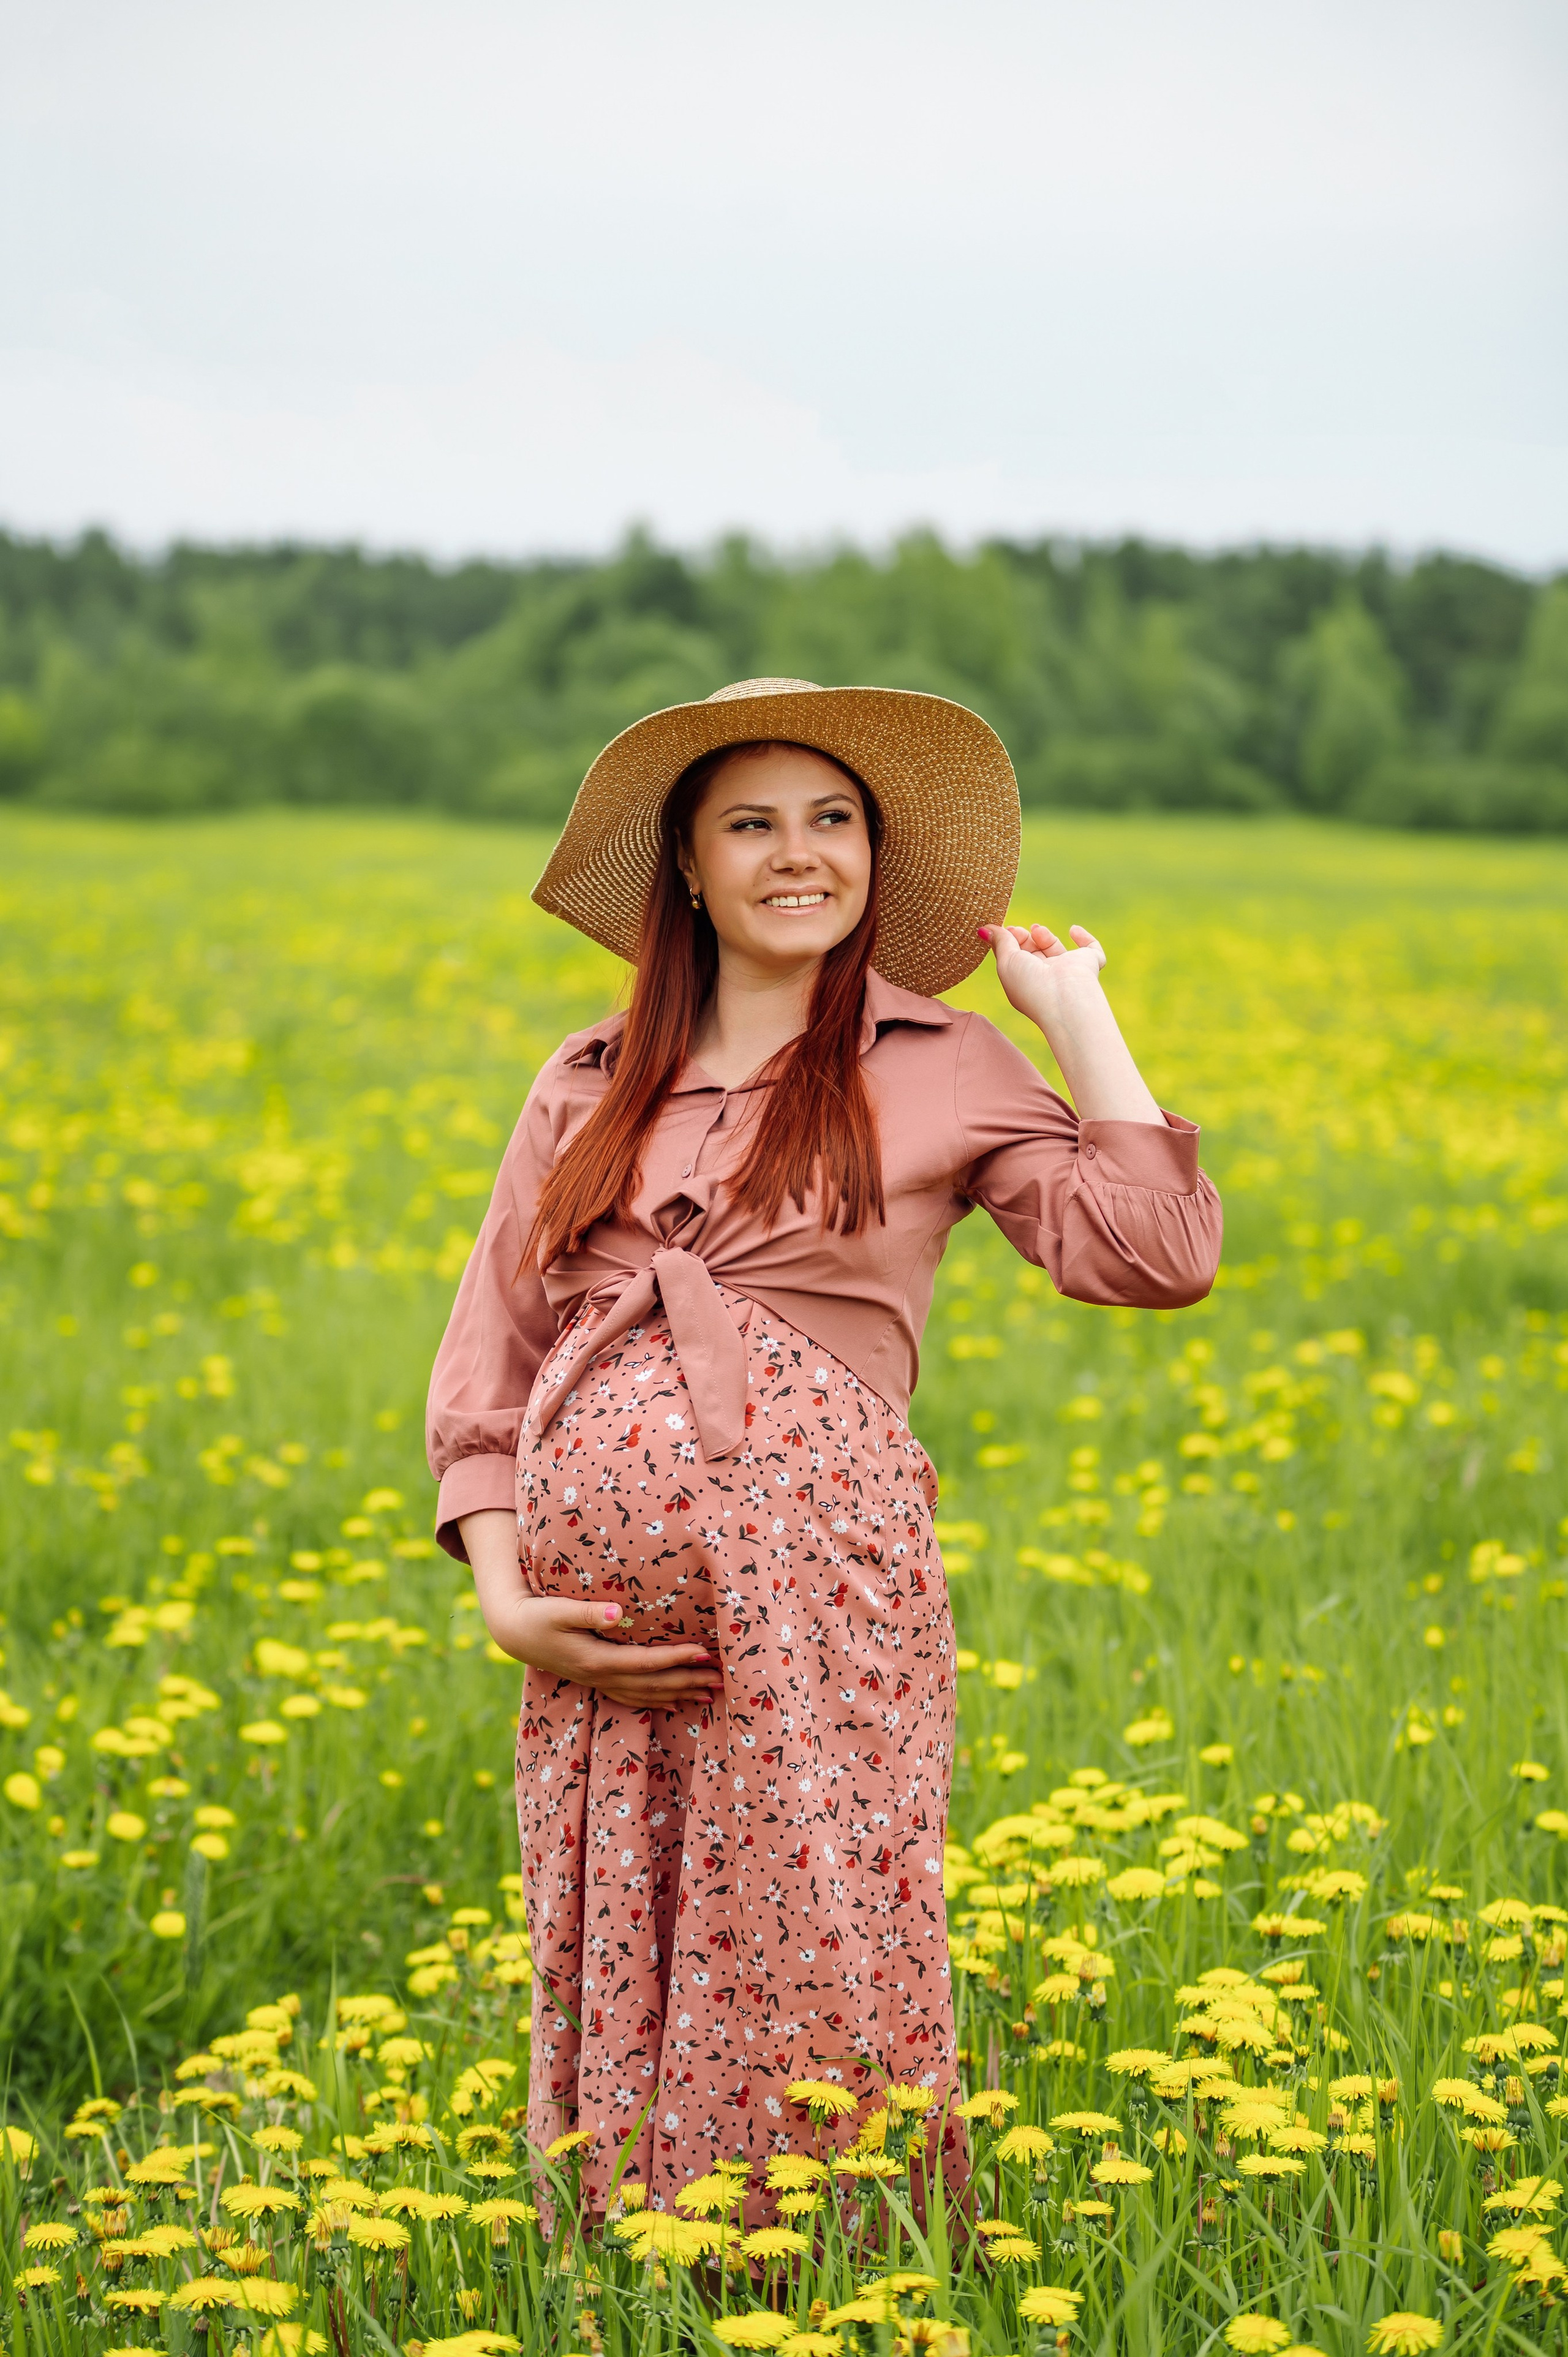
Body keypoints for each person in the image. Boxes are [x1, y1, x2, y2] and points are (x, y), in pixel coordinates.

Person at [426, 676, 1222, 2221]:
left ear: (872, 852)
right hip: (598, 1640)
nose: (799, 856)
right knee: (620, 1934)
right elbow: (489, 1360)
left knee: (821, 1917)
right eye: (751, 823)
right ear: (687, 863)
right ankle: (629, 2264)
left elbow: (1152, 1252)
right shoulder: (586, 1078)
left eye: (832, 820)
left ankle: (836, 2266)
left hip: (825, 1605)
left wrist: (1078, 1022)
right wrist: (507, 1598)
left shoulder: (945, 1062)